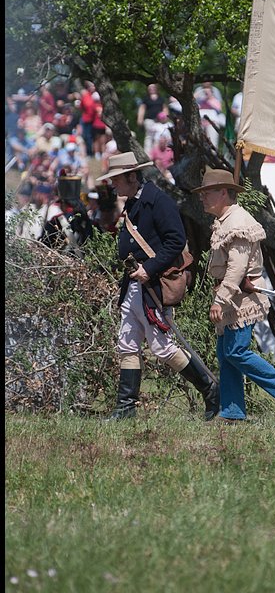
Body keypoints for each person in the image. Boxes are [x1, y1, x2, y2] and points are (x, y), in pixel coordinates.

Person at [95, 151, 219, 422]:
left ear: (131, 176)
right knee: (127, 343)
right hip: (134, 285)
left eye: (117, 179)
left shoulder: (158, 201)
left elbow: (176, 241)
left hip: (152, 286)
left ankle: (211, 390)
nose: (114, 185)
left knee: (162, 348)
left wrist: (149, 268)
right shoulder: (131, 203)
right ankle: (126, 408)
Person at [192, 168, 275, 424]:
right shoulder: (226, 221)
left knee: (237, 350)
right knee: (225, 352)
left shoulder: (239, 223)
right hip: (232, 295)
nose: (202, 198)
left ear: (223, 193)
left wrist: (220, 299)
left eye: (207, 193)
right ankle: (232, 411)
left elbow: (237, 267)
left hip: (241, 298)